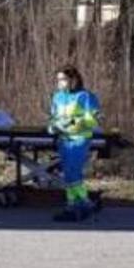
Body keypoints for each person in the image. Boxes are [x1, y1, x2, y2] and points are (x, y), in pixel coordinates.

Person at [48, 65, 101, 222]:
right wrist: (53, 126)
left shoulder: (85, 96)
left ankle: (84, 203)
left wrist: (75, 123)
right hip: (63, 140)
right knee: (68, 175)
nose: (60, 83)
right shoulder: (57, 97)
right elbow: (53, 116)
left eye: (63, 79)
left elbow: (94, 119)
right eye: (58, 80)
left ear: (73, 79)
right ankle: (73, 205)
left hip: (79, 139)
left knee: (73, 173)